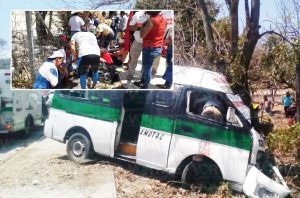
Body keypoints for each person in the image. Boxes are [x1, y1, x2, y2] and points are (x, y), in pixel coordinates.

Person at [134, 11, 167, 89]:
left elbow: (142, 35)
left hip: (150, 47)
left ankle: (145, 87)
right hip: (158, 46)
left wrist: (142, 26)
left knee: (147, 68)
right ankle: (142, 82)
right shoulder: (163, 18)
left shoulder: (152, 21)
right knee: (147, 67)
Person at [126, 11, 147, 84]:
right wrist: (141, 28)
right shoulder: (138, 14)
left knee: (146, 63)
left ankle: (143, 79)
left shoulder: (157, 15)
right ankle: (130, 75)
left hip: (149, 44)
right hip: (138, 41)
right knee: (133, 60)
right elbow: (131, 27)